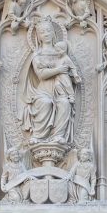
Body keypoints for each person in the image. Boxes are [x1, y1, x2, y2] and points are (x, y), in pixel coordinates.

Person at [23, 16, 79, 147]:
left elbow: (70, 69)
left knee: (64, 103)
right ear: (38, 36)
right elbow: (41, 75)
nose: (46, 34)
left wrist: (72, 75)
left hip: (61, 89)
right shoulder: (37, 55)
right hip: (44, 90)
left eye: (48, 30)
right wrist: (59, 69)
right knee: (45, 102)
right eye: (42, 32)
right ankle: (39, 136)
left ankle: (58, 136)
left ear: (53, 32)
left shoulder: (62, 52)